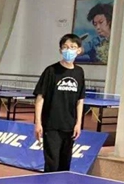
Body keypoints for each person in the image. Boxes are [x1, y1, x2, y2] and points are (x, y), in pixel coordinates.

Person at [34, 34, 86, 172]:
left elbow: (80, 100)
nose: (69, 50)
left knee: (65, 165)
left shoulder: (79, 72)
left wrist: (78, 123)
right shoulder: (51, 71)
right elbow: (40, 98)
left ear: (79, 50)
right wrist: (38, 122)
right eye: (65, 47)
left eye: (72, 47)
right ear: (60, 50)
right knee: (52, 163)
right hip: (52, 125)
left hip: (69, 126)